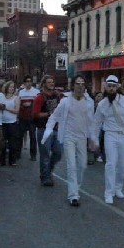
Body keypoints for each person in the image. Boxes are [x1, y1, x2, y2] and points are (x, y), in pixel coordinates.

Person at [42, 75, 96, 207]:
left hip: (82, 137)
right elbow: (54, 116)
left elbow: (91, 123)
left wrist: (93, 139)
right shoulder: (66, 101)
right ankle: (73, 195)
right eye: (78, 83)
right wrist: (47, 132)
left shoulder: (89, 102)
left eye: (83, 84)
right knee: (71, 165)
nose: (80, 86)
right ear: (73, 86)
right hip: (69, 137)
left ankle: (76, 187)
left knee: (82, 165)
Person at [92, 75, 124, 204]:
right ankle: (109, 192)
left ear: (117, 87)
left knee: (123, 165)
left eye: (113, 86)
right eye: (109, 86)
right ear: (105, 87)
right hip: (110, 135)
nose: (111, 89)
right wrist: (94, 140)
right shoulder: (102, 104)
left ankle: (118, 188)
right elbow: (96, 123)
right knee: (111, 164)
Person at [33, 75, 62, 187]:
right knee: (45, 155)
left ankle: (48, 171)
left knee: (58, 152)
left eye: (52, 82)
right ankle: (45, 177)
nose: (51, 84)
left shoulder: (57, 96)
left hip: (56, 128)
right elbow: (35, 114)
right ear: (44, 83)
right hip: (44, 129)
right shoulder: (39, 97)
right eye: (49, 82)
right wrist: (49, 114)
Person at [18, 75, 40, 161]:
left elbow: (38, 105)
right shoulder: (21, 92)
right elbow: (18, 104)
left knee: (33, 137)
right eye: (27, 81)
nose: (29, 83)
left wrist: (31, 105)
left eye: (30, 81)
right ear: (24, 83)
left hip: (32, 118)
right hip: (22, 117)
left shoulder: (36, 92)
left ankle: (33, 154)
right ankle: (18, 154)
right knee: (19, 137)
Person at [1, 81, 20, 166]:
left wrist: (6, 108)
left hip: (12, 123)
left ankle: (12, 160)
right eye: (10, 87)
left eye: (13, 87)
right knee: (2, 143)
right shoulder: (2, 97)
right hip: (2, 122)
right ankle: (1, 160)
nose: (12, 89)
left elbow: (16, 111)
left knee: (12, 143)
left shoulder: (16, 98)